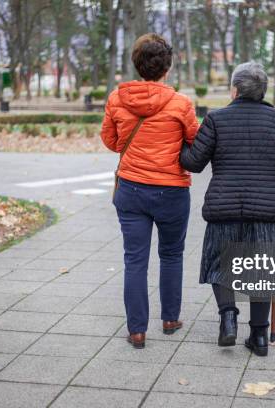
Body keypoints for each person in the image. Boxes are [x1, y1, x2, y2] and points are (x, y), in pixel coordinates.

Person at [180, 61, 275, 357]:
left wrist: (177, 145)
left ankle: (228, 319)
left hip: (225, 206)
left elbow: (194, 162)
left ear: (234, 90)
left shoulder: (216, 119)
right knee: (262, 268)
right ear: (262, 91)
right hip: (267, 210)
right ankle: (259, 337)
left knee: (219, 262)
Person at [100, 33, 199, 349]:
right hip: (171, 191)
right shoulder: (181, 103)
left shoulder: (117, 98)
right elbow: (194, 140)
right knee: (171, 255)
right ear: (167, 68)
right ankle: (170, 318)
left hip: (131, 190)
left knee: (135, 261)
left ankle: (137, 331)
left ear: (137, 65)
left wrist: (131, 147)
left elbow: (111, 140)